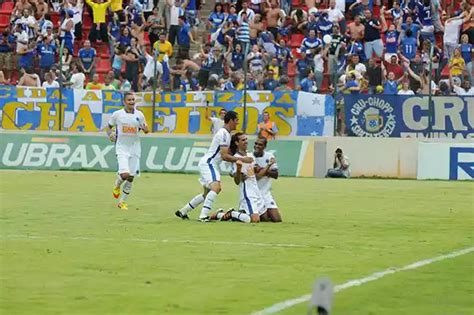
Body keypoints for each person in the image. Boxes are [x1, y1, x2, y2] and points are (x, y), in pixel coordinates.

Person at [175, 111, 254, 222]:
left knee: (207, 193)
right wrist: (242, 159)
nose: (238, 122)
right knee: (216, 187)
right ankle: (203, 216)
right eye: (236, 120)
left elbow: (227, 154)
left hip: (209, 163)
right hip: (209, 163)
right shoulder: (224, 133)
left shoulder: (226, 134)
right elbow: (224, 156)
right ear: (231, 120)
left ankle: (183, 211)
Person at [106, 92, 149, 210]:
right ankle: (117, 185)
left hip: (135, 147)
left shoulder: (139, 115)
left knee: (131, 177)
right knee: (125, 175)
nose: (131, 102)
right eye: (129, 100)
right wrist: (110, 135)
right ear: (124, 102)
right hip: (122, 147)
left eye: (133, 100)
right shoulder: (117, 114)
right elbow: (109, 127)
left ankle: (122, 202)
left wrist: (145, 129)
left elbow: (146, 129)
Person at [230, 132, 266, 223]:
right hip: (247, 192)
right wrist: (238, 170)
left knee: (266, 217)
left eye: (246, 139)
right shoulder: (236, 158)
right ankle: (231, 213)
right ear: (237, 143)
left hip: (256, 190)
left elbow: (253, 172)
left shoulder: (250, 155)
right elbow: (237, 181)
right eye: (243, 140)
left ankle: (242, 211)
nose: (246, 141)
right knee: (255, 219)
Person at [253, 137, 282, 222]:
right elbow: (257, 177)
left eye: (260, 144)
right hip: (254, 193)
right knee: (264, 219)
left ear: (264, 146)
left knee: (277, 219)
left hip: (266, 192)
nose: (257, 146)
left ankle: (264, 212)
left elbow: (275, 175)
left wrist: (262, 169)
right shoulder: (250, 157)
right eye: (256, 144)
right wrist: (268, 168)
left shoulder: (269, 156)